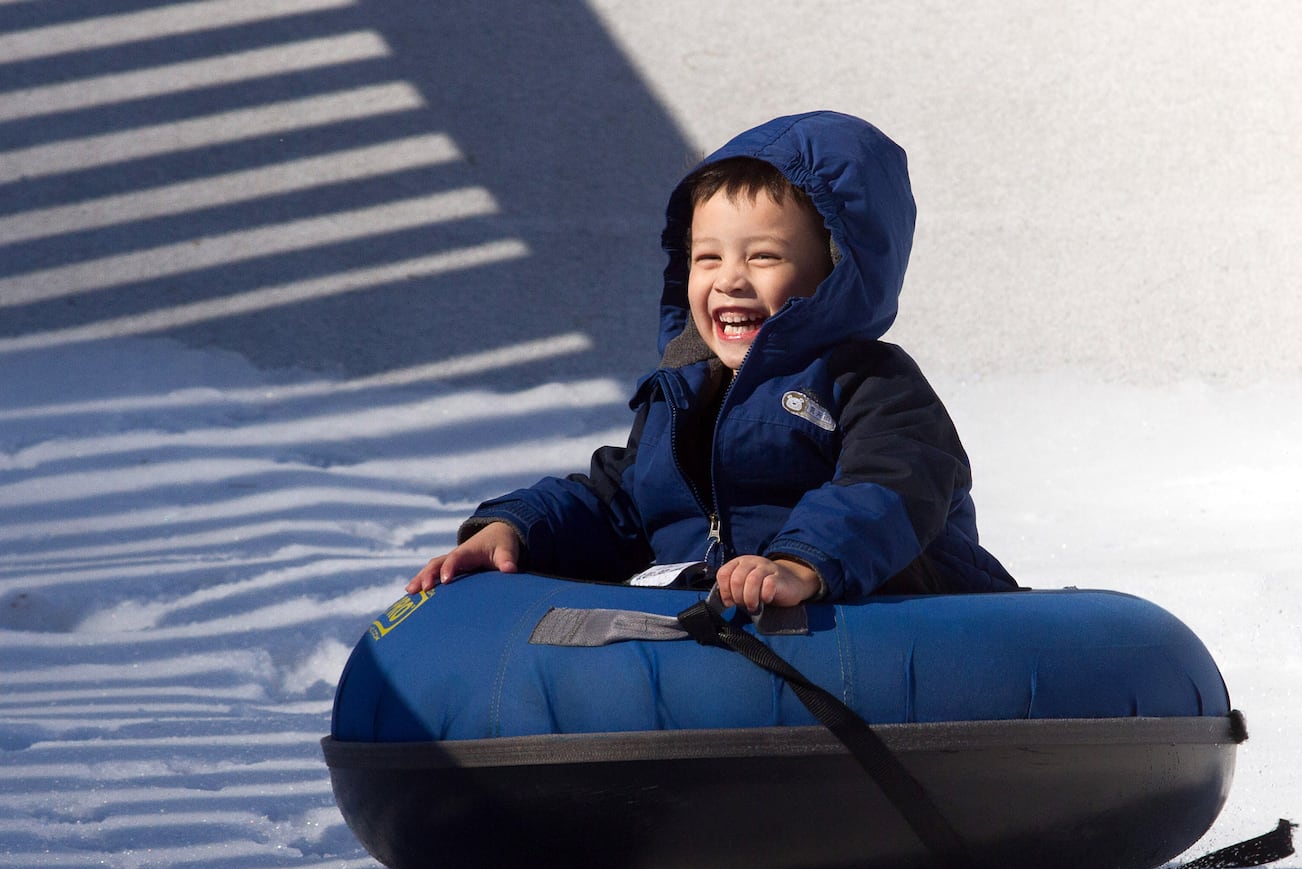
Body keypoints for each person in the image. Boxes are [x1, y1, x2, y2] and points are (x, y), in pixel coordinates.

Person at [408, 111, 1016, 610]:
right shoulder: (684, 392)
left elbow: (888, 487)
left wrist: (801, 562)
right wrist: (515, 528)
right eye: (707, 258)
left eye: (763, 257)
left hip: (875, 614)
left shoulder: (871, 385)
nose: (730, 281)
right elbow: (620, 501)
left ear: (836, 273)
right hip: (718, 628)